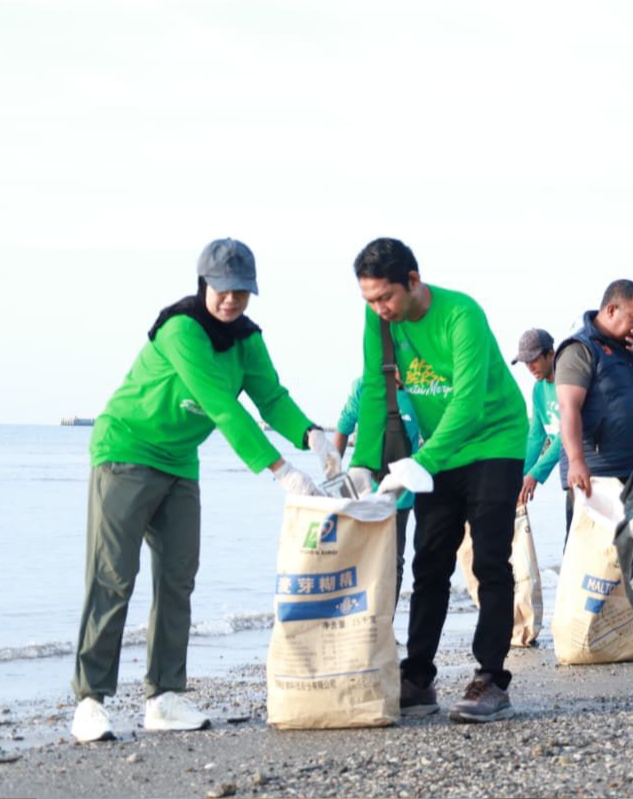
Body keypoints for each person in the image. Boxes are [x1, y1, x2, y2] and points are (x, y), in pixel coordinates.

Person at [69, 238, 338, 744]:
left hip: (178, 464)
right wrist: (282, 470)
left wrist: (311, 435)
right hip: (126, 451)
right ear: (204, 284)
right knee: (113, 577)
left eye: (242, 291)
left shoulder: (247, 339)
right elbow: (222, 405)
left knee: (177, 578)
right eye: (223, 289)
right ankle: (90, 701)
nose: (231, 300)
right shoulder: (180, 328)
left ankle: (164, 697)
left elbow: (270, 398)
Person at [348, 237, 527, 724]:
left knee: (490, 558)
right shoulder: (379, 320)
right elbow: (374, 387)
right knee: (429, 562)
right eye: (370, 300)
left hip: (494, 439)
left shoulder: (461, 314)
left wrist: (419, 461)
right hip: (438, 449)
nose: (379, 309)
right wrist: (364, 462)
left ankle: (491, 679)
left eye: (385, 297)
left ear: (413, 281)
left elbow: (467, 405)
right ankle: (418, 676)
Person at [556, 280, 633, 523]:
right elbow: (569, 409)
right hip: (596, 475)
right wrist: (576, 461)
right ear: (611, 310)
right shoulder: (580, 349)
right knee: (590, 553)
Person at [332, 375, 422, 608]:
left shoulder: (421, 391)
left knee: (393, 562)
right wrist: (333, 479)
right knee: (353, 557)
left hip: (399, 495)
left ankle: (383, 626)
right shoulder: (365, 385)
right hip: (357, 489)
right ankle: (353, 619)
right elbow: (343, 429)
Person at [511, 328, 564, 526]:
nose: (530, 367)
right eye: (526, 362)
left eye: (533, 360)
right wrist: (521, 477)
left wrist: (536, 474)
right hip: (568, 470)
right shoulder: (538, 389)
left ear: (550, 354)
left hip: (590, 467)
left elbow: (566, 435)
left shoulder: (568, 381)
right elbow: (536, 436)